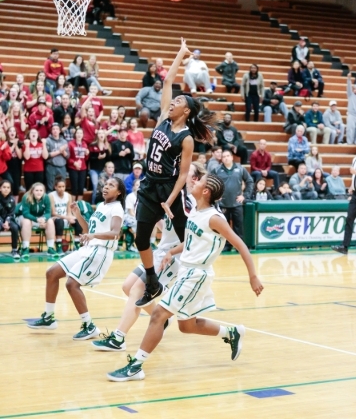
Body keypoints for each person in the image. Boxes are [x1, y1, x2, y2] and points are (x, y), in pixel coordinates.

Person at [107, 174, 263, 382]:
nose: (195, 182)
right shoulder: (197, 211)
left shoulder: (215, 218)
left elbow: (240, 245)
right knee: (186, 325)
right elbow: (190, 241)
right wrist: (173, 251)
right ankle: (232, 332)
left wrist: (253, 276)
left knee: (158, 315)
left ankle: (136, 365)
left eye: (199, 181)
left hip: (196, 274)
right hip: (187, 271)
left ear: (205, 191)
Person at [134, 38, 216, 308]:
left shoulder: (187, 138)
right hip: (149, 186)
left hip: (171, 191)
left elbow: (183, 176)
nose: (172, 102)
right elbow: (168, 82)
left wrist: (169, 201)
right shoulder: (162, 120)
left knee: (187, 240)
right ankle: (152, 281)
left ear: (187, 110)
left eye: (178, 101)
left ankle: (197, 282)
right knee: (140, 239)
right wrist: (180, 54)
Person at [92, 163, 204, 351]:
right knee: (128, 287)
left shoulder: (192, 204)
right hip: (161, 251)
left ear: (194, 179)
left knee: (138, 289)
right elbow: (167, 227)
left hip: (174, 256)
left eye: (186, 171)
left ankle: (118, 338)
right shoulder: (173, 197)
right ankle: (161, 320)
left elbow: (192, 239)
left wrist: (171, 251)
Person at [27, 177, 125, 341]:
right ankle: (49, 317)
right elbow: (87, 229)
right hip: (88, 248)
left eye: (112, 185)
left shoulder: (117, 208)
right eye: (106, 184)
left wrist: (93, 235)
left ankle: (89, 326)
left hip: (100, 252)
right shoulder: (101, 205)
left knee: (72, 284)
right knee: (52, 273)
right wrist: (78, 215)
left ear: (119, 192)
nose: (106, 187)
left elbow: (115, 234)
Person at [215, 150, 253, 251]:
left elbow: (249, 181)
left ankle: (239, 247)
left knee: (238, 227)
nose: (226, 158)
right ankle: (226, 246)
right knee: (224, 228)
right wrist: (215, 196)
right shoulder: (217, 170)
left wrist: (245, 196)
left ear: (232, 157)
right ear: (222, 159)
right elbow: (211, 183)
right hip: (223, 204)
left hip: (237, 204)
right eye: (224, 157)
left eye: (228, 156)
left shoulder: (240, 169)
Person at [18, 182, 56, 259]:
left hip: (38, 218)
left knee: (50, 221)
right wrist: (37, 220)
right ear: (32, 191)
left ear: (44, 191)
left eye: (41, 190)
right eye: (37, 190)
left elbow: (48, 212)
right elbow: (25, 213)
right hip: (23, 217)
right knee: (27, 222)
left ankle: (50, 248)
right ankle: (25, 248)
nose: (39, 192)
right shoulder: (26, 197)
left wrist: (44, 219)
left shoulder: (46, 198)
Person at [332, 153, 356, 254]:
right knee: (349, 219)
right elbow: (354, 176)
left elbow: (355, 173)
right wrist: (352, 186)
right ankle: (344, 246)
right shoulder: (355, 158)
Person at [49, 176, 83, 255]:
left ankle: (77, 244)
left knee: (78, 220)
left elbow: (69, 212)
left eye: (63, 186)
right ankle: (58, 245)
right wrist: (67, 218)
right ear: (55, 187)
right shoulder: (51, 195)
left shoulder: (68, 196)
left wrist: (70, 218)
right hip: (54, 218)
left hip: (65, 217)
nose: (62, 188)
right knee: (60, 221)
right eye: (59, 187)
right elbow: (53, 213)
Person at [88, 130, 111, 204]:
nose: (101, 134)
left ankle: (103, 203)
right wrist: (98, 158)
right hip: (94, 169)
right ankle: (93, 204)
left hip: (103, 170)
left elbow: (109, 159)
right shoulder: (92, 145)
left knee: (104, 187)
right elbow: (89, 158)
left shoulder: (107, 146)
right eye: (100, 133)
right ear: (97, 135)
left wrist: (107, 150)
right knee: (95, 186)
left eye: (103, 133)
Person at [67, 128, 89, 202]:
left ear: (83, 135)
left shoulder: (85, 144)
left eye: (81, 133)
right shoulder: (70, 144)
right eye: (78, 133)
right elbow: (67, 157)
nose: (79, 135)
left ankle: (79, 206)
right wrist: (74, 163)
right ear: (75, 134)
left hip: (83, 168)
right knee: (74, 187)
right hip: (73, 168)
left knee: (81, 188)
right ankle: (72, 205)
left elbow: (85, 159)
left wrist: (87, 154)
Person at [45, 123, 69, 192]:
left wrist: (63, 152)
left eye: (57, 129)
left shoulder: (64, 141)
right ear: (51, 131)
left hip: (62, 166)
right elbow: (47, 155)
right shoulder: (48, 140)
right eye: (53, 129)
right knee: (50, 187)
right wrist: (60, 151)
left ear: (60, 131)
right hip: (51, 166)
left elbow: (67, 156)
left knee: (62, 187)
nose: (55, 130)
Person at [0, 179, 20, 258]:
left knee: (15, 227)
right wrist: (2, 223)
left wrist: (7, 222)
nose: (6, 189)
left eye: (8, 187)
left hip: (8, 219)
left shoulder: (12, 199)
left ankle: (14, 249)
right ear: (0, 188)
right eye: (4, 187)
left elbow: (11, 213)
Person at [5, 126, 23, 203]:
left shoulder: (19, 143)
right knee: (8, 184)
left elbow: (20, 156)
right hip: (7, 167)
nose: (12, 133)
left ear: (16, 133)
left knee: (16, 187)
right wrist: (13, 145)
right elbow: (7, 156)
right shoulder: (5, 143)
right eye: (10, 131)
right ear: (7, 133)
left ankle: (15, 206)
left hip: (17, 167)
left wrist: (16, 145)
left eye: (14, 131)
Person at [346, 72, 356, 145]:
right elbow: (348, 87)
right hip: (352, 115)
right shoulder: (350, 95)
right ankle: (349, 143)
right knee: (350, 129)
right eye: (355, 89)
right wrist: (349, 79)